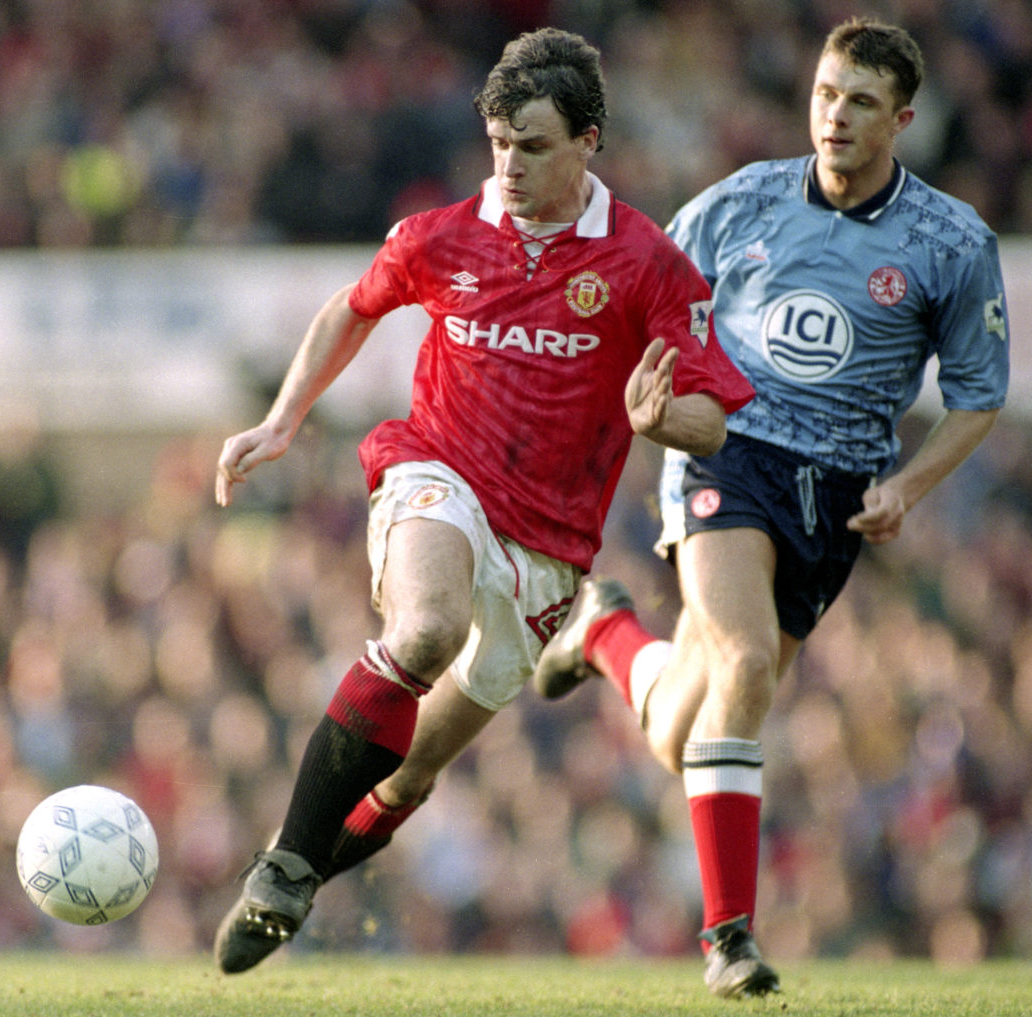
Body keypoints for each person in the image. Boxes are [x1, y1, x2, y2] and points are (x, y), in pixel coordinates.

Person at [210, 27, 754, 975]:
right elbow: (355, 304)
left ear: (589, 141)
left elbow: (711, 417)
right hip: (438, 472)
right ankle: (285, 867)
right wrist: (283, 419)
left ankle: (306, 875)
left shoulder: (646, 264)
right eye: (498, 142)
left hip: (549, 549)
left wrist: (662, 419)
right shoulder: (443, 233)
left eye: (532, 145)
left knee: (417, 766)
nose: (508, 165)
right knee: (422, 631)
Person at [531, 16, 1010, 999]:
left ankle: (607, 632)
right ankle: (728, 939)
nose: (835, 115)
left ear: (902, 119)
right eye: (827, 94)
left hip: (839, 496)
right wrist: (643, 403)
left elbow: (978, 397)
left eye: (862, 102)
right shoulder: (739, 201)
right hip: (729, 456)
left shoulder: (952, 243)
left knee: (686, 725)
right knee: (746, 661)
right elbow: (644, 305)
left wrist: (906, 488)